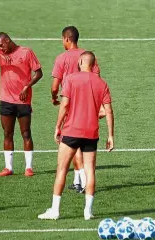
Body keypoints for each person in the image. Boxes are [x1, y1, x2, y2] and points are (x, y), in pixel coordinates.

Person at [38, 51, 114, 220]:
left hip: (71, 130)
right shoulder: (102, 83)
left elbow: (64, 105)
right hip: (91, 133)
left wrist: (57, 126)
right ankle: (88, 211)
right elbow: (108, 111)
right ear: (94, 65)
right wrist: (111, 136)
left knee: (62, 169)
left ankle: (55, 210)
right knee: (90, 171)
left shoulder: (71, 79)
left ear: (80, 61)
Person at [0, 32, 43, 177]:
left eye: (1, 45)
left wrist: (27, 86)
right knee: (7, 134)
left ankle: (29, 167)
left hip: (23, 100)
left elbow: (39, 73)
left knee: (26, 133)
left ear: (7, 40)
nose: (1, 48)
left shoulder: (26, 52)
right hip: (6, 100)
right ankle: (8, 168)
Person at [51, 26, 102, 193]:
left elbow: (55, 85)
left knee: (73, 143)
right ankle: (79, 180)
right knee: (84, 144)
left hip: (71, 104)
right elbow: (97, 80)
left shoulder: (61, 58)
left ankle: (81, 182)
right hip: (88, 104)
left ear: (66, 39)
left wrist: (54, 97)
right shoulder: (87, 56)